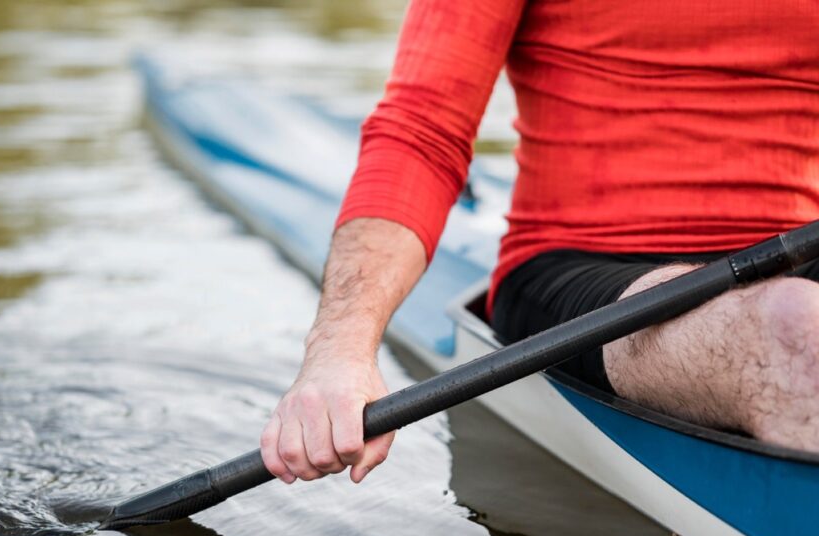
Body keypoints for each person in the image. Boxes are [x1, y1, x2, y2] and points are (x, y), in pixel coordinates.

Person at [260, 0, 819, 484]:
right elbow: (422, 132)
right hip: (584, 270)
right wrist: (340, 352)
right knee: (794, 328)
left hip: (798, 250)